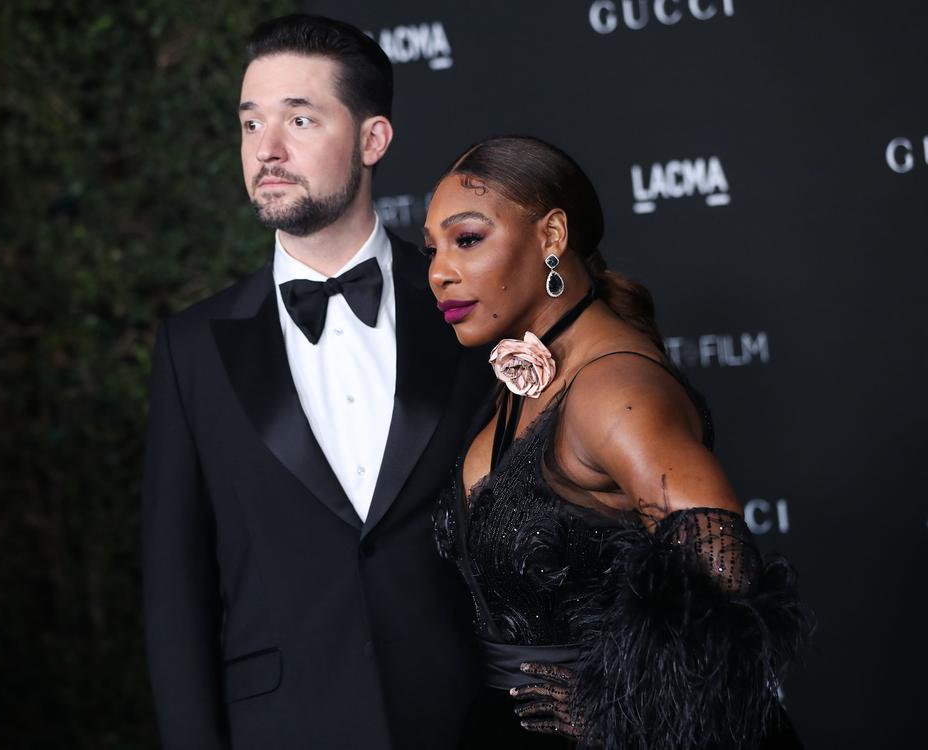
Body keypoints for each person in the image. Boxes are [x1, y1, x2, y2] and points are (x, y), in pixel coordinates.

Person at [141, 15, 491, 750]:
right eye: (250, 123)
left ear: (372, 140)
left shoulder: (467, 310)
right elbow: (176, 595)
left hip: (467, 723)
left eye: (299, 119)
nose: (266, 150)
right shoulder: (192, 347)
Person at [425, 136, 813, 749]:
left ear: (551, 237)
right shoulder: (521, 378)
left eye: (466, 239)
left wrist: (631, 712)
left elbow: (729, 582)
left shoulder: (612, 388)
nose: (439, 271)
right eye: (433, 249)